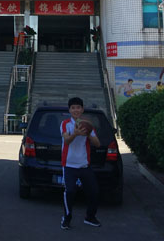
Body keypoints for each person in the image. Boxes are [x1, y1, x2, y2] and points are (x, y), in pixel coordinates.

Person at [60, 97, 101, 230]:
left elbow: (97, 143)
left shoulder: (87, 124)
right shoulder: (65, 124)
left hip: (84, 165)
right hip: (69, 165)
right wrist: (75, 134)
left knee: (94, 191)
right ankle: (66, 218)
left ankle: (90, 217)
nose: (76, 110)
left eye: (78, 107)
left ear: (82, 109)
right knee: (70, 192)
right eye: (73, 108)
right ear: (69, 110)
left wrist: (88, 134)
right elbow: (66, 140)